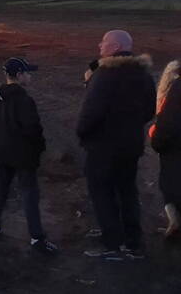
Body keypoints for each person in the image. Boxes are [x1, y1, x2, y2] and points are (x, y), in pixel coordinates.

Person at [77, 30, 156, 261]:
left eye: (104, 42)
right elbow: (149, 110)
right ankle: (133, 242)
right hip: (131, 146)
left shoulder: (105, 74)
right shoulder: (143, 73)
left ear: (115, 47)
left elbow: (90, 112)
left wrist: (83, 133)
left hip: (103, 147)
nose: (99, 45)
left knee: (102, 192)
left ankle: (112, 244)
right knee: (127, 191)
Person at [0, 57, 58, 255]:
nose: (30, 76)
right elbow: (33, 129)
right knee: (29, 194)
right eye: (28, 73)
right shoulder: (24, 100)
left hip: (2, 153)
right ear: (19, 75)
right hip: (23, 156)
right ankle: (36, 238)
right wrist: (38, 149)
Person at [150, 60, 181, 239]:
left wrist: (157, 141)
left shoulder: (175, 90)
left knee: (170, 184)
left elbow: (167, 123)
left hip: (173, 148)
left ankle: (174, 221)